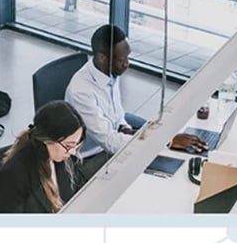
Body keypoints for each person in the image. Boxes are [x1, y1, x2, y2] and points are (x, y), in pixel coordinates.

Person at [65, 24, 207, 177]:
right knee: (151, 158)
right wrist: (164, 141)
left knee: (155, 130)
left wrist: (135, 131)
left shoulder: (109, 71)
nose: (127, 63)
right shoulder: (81, 92)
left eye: (128, 57)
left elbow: (118, 118)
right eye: (121, 59)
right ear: (101, 58)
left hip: (111, 136)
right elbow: (111, 143)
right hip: (90, 158)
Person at [0, 101, 87, 213]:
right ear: (48, 140)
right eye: (68, 145)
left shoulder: (63, 157)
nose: (73, 151)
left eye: (76, 145)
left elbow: (81, 194)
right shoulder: (14, 174)